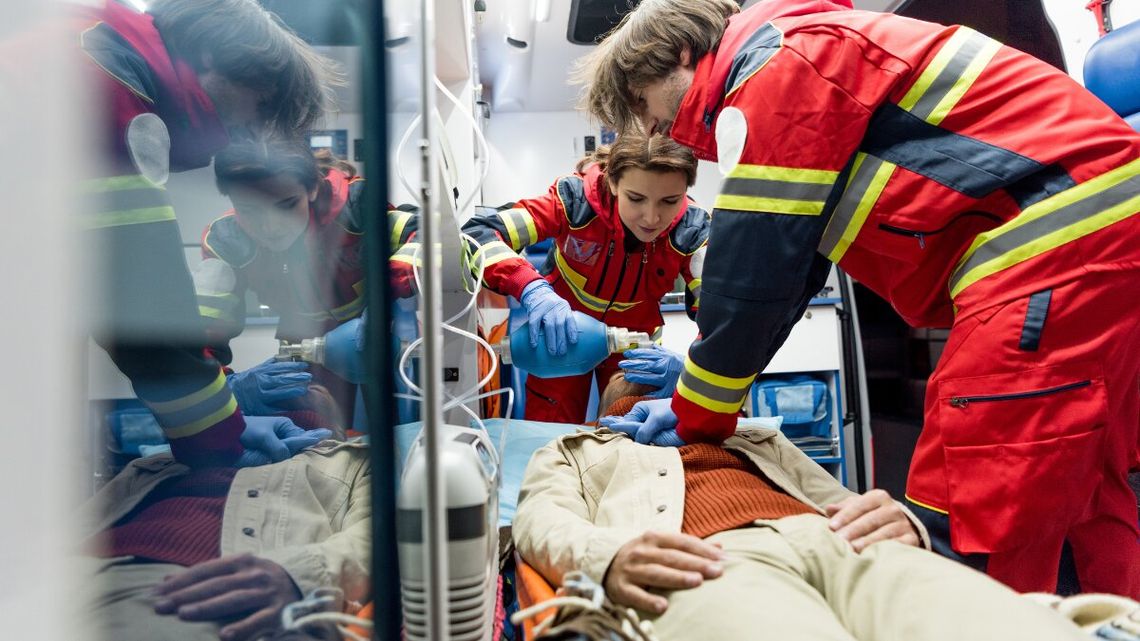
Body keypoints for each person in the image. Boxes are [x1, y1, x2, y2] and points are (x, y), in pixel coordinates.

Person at [574, 0, 1140, 595]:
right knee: (1081, 484)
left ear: (681, 56)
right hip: (1094, 228)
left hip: (1056, 238)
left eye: (642, 104)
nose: (653, 129)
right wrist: (703, 396)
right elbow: (787, 272)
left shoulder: (778, 65)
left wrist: (698, 409)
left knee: (969, 492)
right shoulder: (805, 51)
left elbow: (754, 271)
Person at [513, 399, 1093, 641]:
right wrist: (609, 558)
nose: (647, 399)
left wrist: (904, 522)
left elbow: (840, 497)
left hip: (837, 542)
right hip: (703, 561)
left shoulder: (754, 436)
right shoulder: (576, 451)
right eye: (628, 394)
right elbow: (537, 521)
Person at [76, 0, 339, 466]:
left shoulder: (96, 41)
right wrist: (222, 434)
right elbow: (144, 307)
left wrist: (225, 421)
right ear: (217, 57)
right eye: (257, 108)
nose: (244, 131)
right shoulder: (108, 83)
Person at [78, 385, 367, 641]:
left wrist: (296, 575)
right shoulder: (165, 459)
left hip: (203, 588)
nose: (299, 385)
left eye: (316, 388)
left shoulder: (351, 461)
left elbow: (374, 537)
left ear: (337, 427)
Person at [462, 130, 709, 423]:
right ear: (614, 183)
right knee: (549, 438)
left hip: (634, 348)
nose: (651, 217)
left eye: (670, 201)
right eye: (636, 198)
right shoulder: (573, 203)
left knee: (630, 437)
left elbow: (722, 314)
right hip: (561, 337)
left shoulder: (692, 231)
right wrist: (530, 288)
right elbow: (477, 234)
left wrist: (694, 367)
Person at [195, 136, 419, 418]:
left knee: (391, 429)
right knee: (313, 435)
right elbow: (204, 334)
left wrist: (385, 300)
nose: (270, 227)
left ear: (312, 187)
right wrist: (225, 386)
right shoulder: (226, 241)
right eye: (249, 210)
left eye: (287, 205)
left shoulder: (358, 205)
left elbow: (421, 234)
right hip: (301, 341)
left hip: (373, 335)